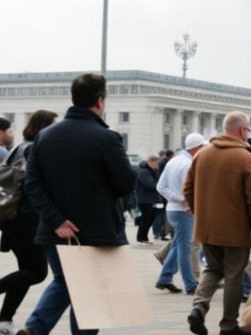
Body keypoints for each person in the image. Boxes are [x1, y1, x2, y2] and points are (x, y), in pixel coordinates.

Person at [19, 73, 137, 335]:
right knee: (91, 292)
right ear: (100, 101)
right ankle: (37, 328)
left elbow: (33, 185)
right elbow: (126, 184)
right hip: (96, 229)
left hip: (55, 228)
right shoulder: (107, 138)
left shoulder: (45, 137)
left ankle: (35, 328)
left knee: (65, 281)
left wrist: (56, 219)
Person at [184, 111, 251, 335]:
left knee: (212, 268)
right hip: (235, 230)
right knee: (234, 275)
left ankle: (198, 308)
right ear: (241, 131)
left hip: (207, 227)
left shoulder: (202, 154)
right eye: (247, 130)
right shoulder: (246, 158)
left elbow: (187, 189)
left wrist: (200, 213)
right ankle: (228, 325)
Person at [0, 111, 57, 334]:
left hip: (13, 217)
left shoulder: (18, 148)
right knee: (36, 272)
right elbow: (38, 186)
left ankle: (4, 320)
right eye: (53, 126)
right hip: (26, 218)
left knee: (26, 270)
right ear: (43, 127)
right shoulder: (34, 149)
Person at [154, 133, 206, 296]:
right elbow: (191, 190)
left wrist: (175, 198)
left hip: (173, 209)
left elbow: (161, 187)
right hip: (185, 211)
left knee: (178, 244)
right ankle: (190, 283)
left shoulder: (174, 161)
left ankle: (165, 277)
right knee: (185, 247)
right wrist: (186, 201)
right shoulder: (189, 164)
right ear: (196, 148)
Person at [135, 156, 161, 245]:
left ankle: (144, 238)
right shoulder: (144, 172)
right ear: (150, 162)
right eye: (156, 162)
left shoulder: (152, 171)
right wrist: (159, 186)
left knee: (150, 219)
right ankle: (141, 238)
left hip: (151, 199)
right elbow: (149, 184)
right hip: (145, 199)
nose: (157, 164)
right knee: (145, 219)